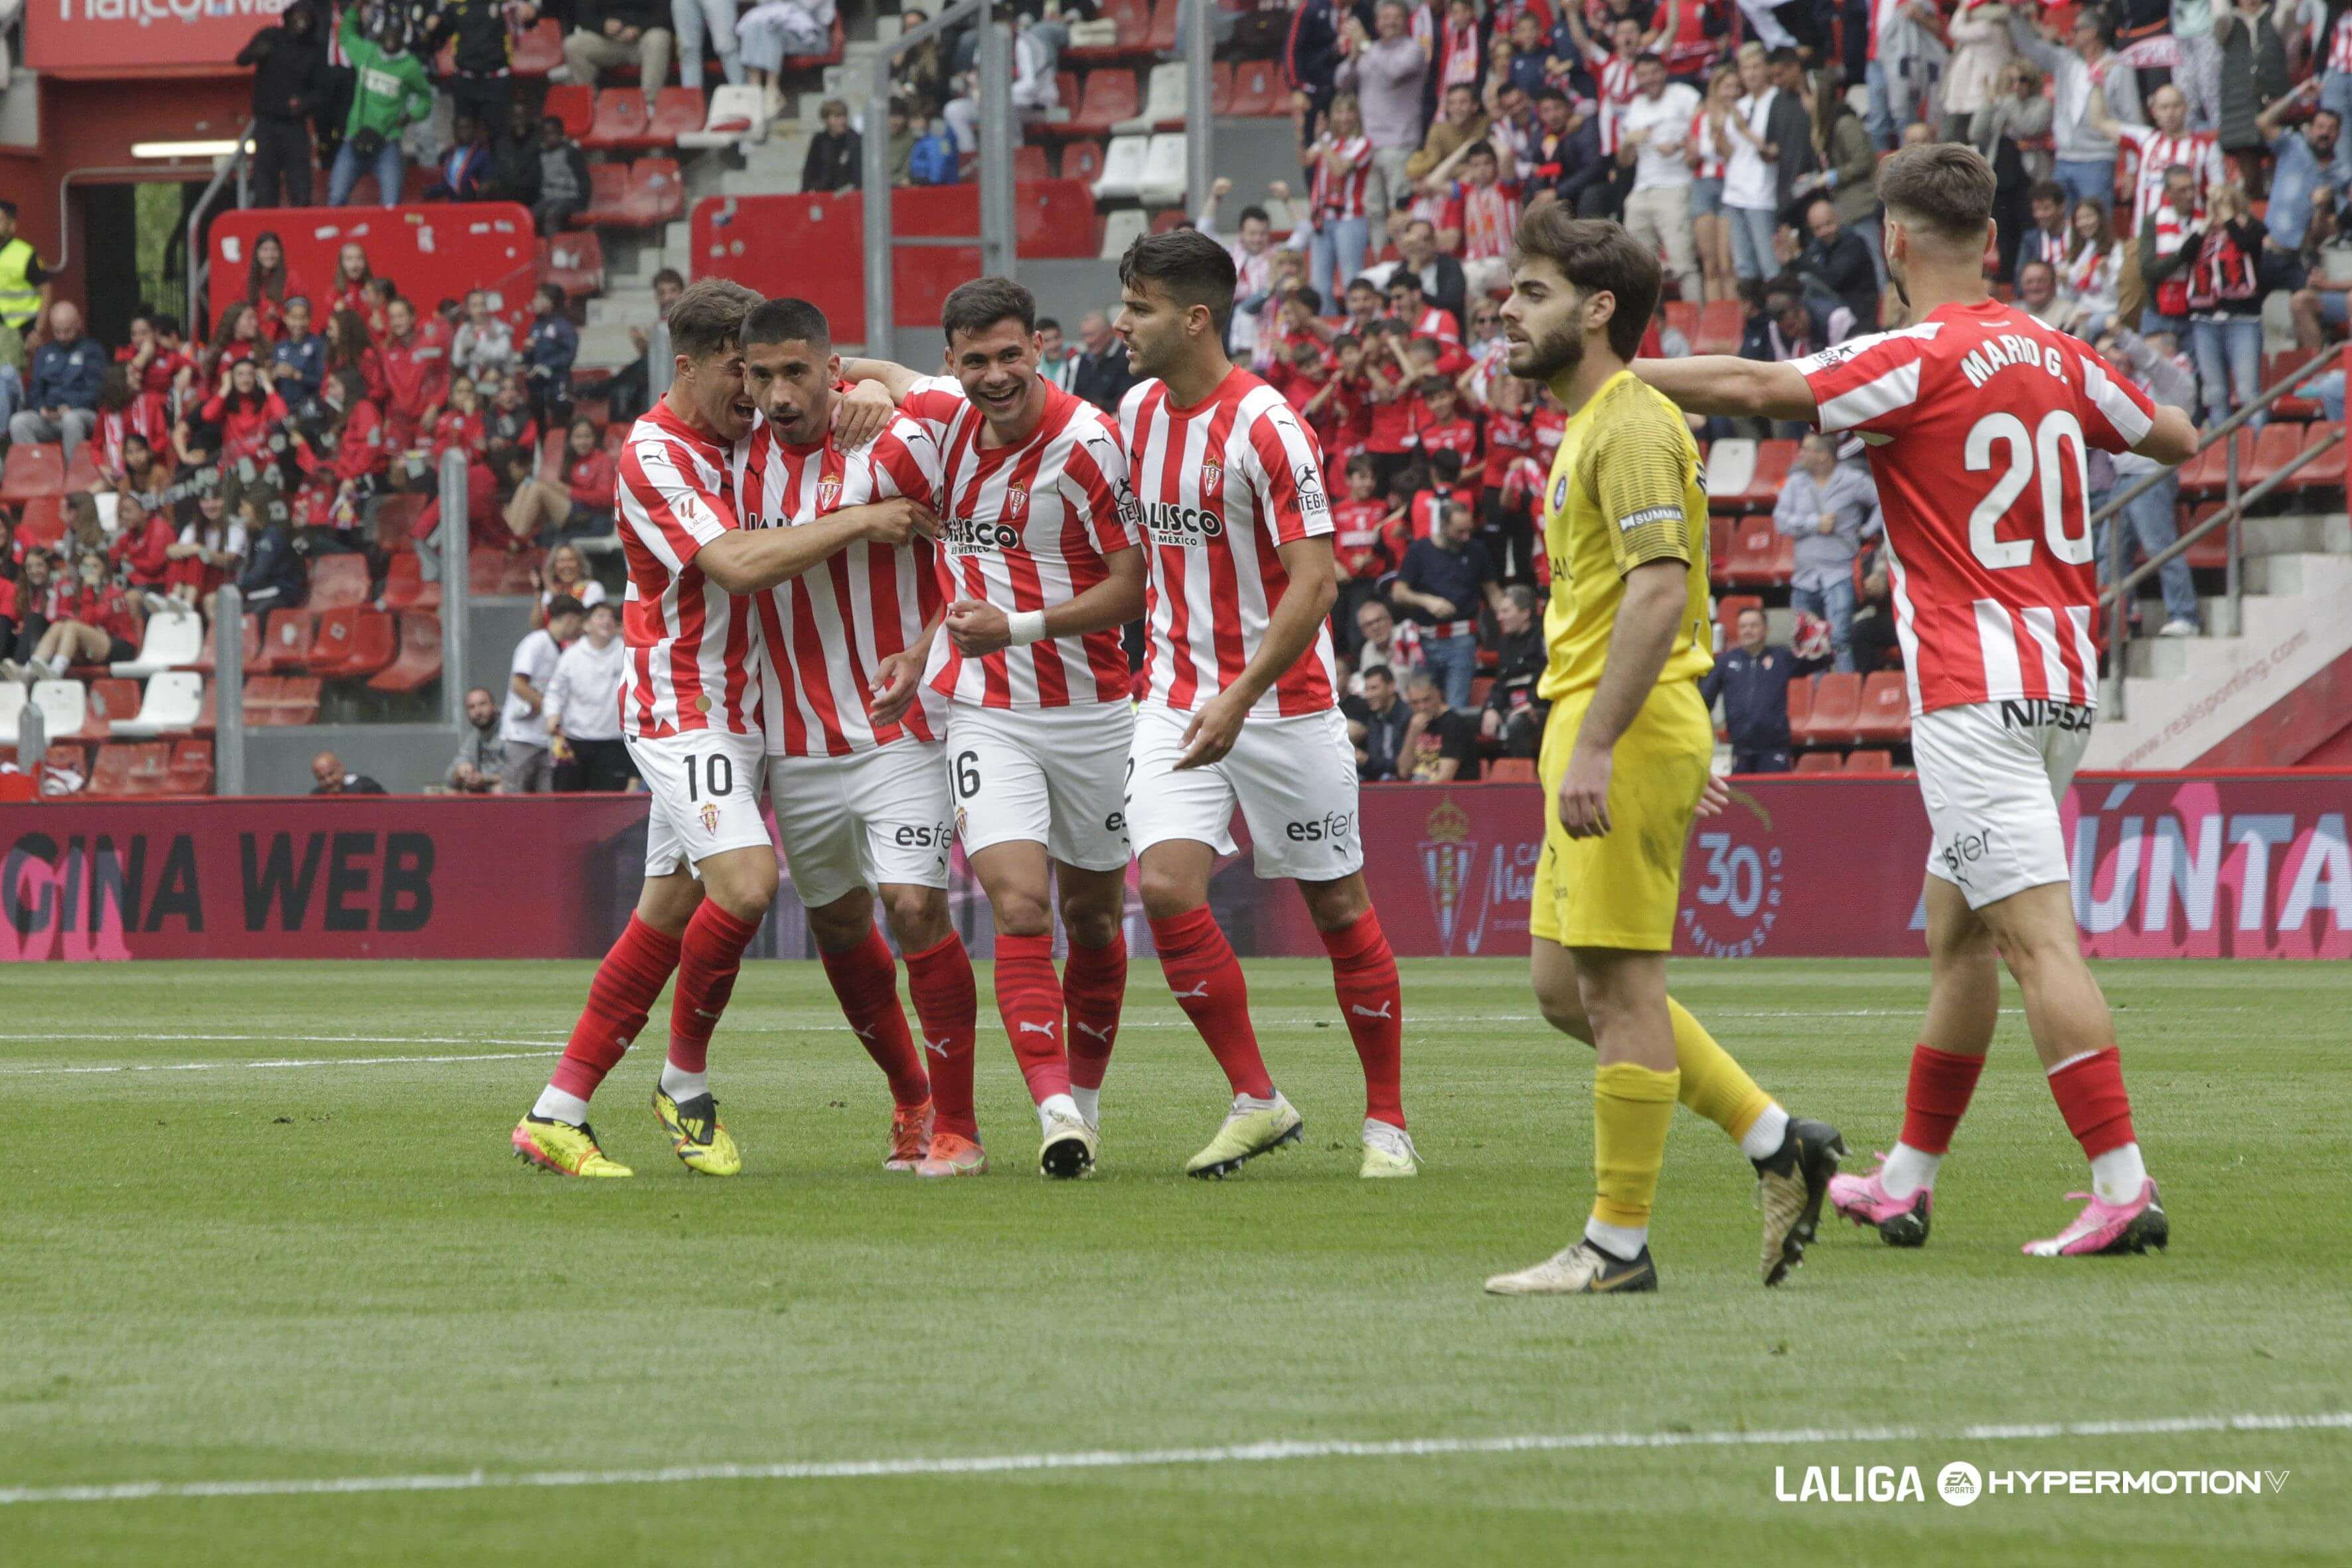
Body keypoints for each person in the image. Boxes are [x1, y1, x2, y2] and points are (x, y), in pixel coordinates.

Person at [1635, 141, 2197, 1259]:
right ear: (1990, 241)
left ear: (1891, 240)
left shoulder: (1908, 353)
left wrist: (1611, 377)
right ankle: (1903, 1179)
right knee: (1959, 940)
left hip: (1970, 689)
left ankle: (2121, 1184)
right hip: (2059, 680)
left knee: (2034, 943)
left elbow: (1754, 386)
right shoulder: (2055, 351)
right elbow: (2174, 437)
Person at [1481, 208, 1841, 1299]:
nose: (1506, 305)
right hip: (1610, 722)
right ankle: (1777, 1138)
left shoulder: (1630, 423)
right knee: (1562, 987)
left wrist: (1608, 743)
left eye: (1532, 291)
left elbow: (1658, 585)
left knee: (1621, 990)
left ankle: (1615, 1246)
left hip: (1613, 727)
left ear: (1595, 311)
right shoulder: (1596, 417)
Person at [512, 277, 927, 1180]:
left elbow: (843, 380)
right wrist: (860, 516)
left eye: (763, 373)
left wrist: (872, 389)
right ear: (690, 363)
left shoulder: (744, 431)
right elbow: (735, 565)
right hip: (682, 706)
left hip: (750, 712)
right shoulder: (654, 453)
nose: (757, 394)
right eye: (738, 372)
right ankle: (683, 1082)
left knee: (665, 913)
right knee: (744, 883)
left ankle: (557, 1110)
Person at [1110, 228, 1415, 1178]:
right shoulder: (1133, 411)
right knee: (1162, 887)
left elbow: (1315, 583)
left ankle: (1386, 1122)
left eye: (1138, 307)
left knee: (1337, 906)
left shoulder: (1269, 428)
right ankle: (1256, 1097)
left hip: (1280, 704)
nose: (1121, 324)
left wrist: (1240, 696)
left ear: (1193, 318)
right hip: (1171, 698)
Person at [840, 278, 1146, 1177]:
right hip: (988, 709)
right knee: (1017, 904)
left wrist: (1012, 630)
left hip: (1092, 708)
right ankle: (1051, 1106)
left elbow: (1131, 590)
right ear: (951, 363)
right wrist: (855, 379)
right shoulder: (939, 419)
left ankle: (1080, 1102)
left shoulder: (1088, 445)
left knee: (1091, 917)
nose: (994, 374)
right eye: (974, 359)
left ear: (1039, 347)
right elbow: (889, 376)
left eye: (1009, 355)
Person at [718, 294, 967, 1175]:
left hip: (898, 725)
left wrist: (931, 642)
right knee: (837, 922)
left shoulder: (890, 440)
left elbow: (970, 541)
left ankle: (955, 1123)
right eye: (762, 375)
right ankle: (909, 1095)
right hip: (791, 740)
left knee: (913, 902)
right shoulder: (729, 462)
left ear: (830, 368)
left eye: (798, 371)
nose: (781, 394)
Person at [2098, 326, 2200, 637]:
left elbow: (2152, 362)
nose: (2136, 356)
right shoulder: (2129, 387)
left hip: (2151, 475)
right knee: (2110, 556)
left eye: (2145, 350)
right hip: (2124, 478)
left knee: (2160, 548)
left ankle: (2185, 615)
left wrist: (2124, 336)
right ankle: (2124, 617)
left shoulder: (2175, 384)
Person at [2007, 5, 2142, 216]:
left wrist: (2133, 171)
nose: (2071, 33)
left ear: (2093, 32)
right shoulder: (2064, 61)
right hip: (2063, 160)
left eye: (2077, 29)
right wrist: (2014, 13)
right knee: (2064, 232)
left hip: (2097, 161)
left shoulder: (2118, 67)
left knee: (2096, 227)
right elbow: (2029, 47)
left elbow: (2132, 120)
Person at [1773, 431, 1878, 672]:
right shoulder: (1796, 483)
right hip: (1804, 577)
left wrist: (1868, 530)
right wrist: (1814, 523)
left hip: (1839, 573)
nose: (1800, 454)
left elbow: (1881, 500)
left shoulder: (1852, 480)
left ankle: (1843, 698)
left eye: (1807, 449)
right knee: (1808, 643)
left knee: (1839, 639)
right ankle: (1817, 699)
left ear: (1823, 456)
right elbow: (1780, 521)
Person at [1389, 499, 1500, 707]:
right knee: (1421, 704)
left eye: (1469, 531)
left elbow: (1493, 591)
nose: (1466, 537)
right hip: (1424, 638)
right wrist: (1426, 601)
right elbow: (1398, 592)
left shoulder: (1477, 550)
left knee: (1456, 707)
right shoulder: (1420, 550)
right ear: (1443, 525)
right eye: (1460, 532)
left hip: (1462, 638)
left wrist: (1507, 612)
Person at [327, 5, 433, 209]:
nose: (391, 37)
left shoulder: (410, 66)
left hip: (387, 143)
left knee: (391, 205)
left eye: (397, 32)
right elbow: (346, 35)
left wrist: (411, 115)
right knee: (336, 199)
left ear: (403, 35)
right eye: (388, 31)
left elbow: (426, 99)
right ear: (380, 33)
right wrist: (355, 8)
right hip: (354, 139)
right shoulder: (367, 53)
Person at [1617, 53, 1702, 307]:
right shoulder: (1636, 106)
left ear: (1664, 71)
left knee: (1683, 263)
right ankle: (1649, 328)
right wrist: (1628, 142)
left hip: (1675, 187)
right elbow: (1624, 162)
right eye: (1643, 74)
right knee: (1639, 268)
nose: (1649, 79)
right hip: (1641, 190)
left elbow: (1703, 127)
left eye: (1654, 72)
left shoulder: (1683, 95)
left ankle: (1696, 325)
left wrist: (1677, 145)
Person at [1334, 1, 1431, 216]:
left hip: (1400, 143)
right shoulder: (1370, 50)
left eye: (1396, 17)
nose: (1390, 22)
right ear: (1377, 23)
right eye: (1385, 17)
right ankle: (1378, 252)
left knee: (1400, 206)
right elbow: (1341, 82)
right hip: (1369, 142)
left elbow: (1394, 71)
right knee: (1372, 209)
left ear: (1406, 21)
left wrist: (1367, 47)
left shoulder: (1413, 49)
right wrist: (1353, 56)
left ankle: (1404, 250)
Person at [237, 0, 329, 208]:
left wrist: (303, 104)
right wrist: (256, 52)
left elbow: (322, 92)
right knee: (265, 183)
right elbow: (241, 60)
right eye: (298, 17)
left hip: (294, 126)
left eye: (306, 18)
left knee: (299, 185)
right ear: (288, 17)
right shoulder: (270, 36)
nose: (301, 22)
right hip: (266, 123)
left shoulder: (314, 51)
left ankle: (300, 227)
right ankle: (267, 230)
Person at [546, 600, 634, 791]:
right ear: (586, 625)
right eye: (601, 616)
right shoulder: (571, 655)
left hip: (614, 742)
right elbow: (555, 692)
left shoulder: (627, 652)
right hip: (575, 741)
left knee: (610, 809)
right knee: (570, 806)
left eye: (611, 617)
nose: (607, 621)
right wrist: (552, 716)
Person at [1699, 604, 1796, 771]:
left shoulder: (1782, 657)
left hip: (1774, 750)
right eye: (1743, 626)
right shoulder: (1726, 661)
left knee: (1775, 797)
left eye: (1754, 625)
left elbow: (1820, 660)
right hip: (1740, 751)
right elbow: (1704, 701)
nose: (1748, 631)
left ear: (1767, 629)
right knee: (1742, 798)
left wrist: (1814, 636)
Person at [501, 593, 582, 793]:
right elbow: (518, 684)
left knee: (544, 801)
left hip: (545, 739)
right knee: (516, 797)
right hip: (522, 737)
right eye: (579, 622)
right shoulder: (536, 642)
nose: (580, 629)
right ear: (570, 619)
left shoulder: (565, 651)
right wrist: (549, 711)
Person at [1305, 94, 1377, 307]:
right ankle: (1328, 331)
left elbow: (1339, 169)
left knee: (1351, 282)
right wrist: (1302, 127)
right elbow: (1305, 159)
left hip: (1350, 219)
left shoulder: (1363, 143)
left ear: (1357, 115)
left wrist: (1323, 143)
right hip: (1322, 219)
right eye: (1339, 111)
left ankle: (1356, 332)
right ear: (1332, 115)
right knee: (1319, 286)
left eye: (1349, 111)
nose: (1344, 117)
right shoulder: (1328, 141)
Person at [11, 301, 103, 461]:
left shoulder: (92, 350)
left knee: (71, 419)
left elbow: (97, 390)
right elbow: (35, 390)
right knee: (19, 422)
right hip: (50, 416)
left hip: (82, 414)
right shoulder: (45, 352)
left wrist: (70, 406)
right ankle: (38, 474)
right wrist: (41, 409)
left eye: (67, 331)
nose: (62, 336)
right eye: (57, 331)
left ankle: (74, 477)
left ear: (78, 323)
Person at [1480, 583, 1547, 756]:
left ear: (1525, 614)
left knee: (1516, 724)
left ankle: (1519, 778)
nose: (1499, 617)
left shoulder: (1544, 637)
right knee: (1463, 721)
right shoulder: (1505, 643)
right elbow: (1501, 684)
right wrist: (1491, 708)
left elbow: (1549, 677)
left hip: (1539, 708)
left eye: (1506, 611)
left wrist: (1531, 703)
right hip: (1511, 707)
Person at [1793, 195, 1879, 329]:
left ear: (1837, 219)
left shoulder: (1853, 242)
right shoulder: (1816, 247)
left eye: (1828, 224)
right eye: (1818, 228)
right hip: (1831, 317)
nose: (1825, 231)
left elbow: (1833, 278)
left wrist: (1799, 257)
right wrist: (1790, 262)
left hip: (1861, 315)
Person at [563, 0, 676, 100]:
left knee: (659, 38)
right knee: (572, 45)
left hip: (643, 39)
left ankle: (650, 105)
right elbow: (583, 16)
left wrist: (639, 28)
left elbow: (666, 13)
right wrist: (603, 26)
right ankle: (592, 104)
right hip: (608, 41)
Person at [1399, 669, 1481, 781]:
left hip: (1451, 794)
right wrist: (1412, 734)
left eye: (1426, 700)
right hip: (1417, 790)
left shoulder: (1454, 724)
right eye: (1415, 702)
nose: (1422, 707)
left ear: (1438, 695)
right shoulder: (1412, 724)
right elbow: (1403, 772)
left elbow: (1445, 777)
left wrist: (1417, 796)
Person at [519, 115, 593, 237]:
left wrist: (582, 203)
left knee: (552, 215)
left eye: (553, 133)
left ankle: (554, 249)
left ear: (560, 133)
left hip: (569, 198)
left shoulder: (570, 153)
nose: (550, 137)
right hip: (548, 198)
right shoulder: (541, 155)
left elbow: (584, 180)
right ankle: (534, 250)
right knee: (530, 216)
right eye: (546, 134)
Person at [1343, 662, 1413, 779]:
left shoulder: (1407, 716)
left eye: (1374, 688)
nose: (1369, 695)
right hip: (1376, 784)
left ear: (1391, 687)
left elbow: (1402, 765)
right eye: (1367, 689)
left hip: (1404, 786)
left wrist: (1366, 760)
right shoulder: (1373, 717)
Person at [1069, 309, 1134, 412]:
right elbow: (1076, 396)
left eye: (1091, 335)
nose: (1087, 341)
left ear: (1108, 333)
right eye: (1084, 336)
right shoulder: (1083, 360)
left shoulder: (1128, 358)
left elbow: (1128, 400)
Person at [447, 685, 505, 793]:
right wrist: (459, 773)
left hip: (512, 793)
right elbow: (449, 777)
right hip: (482, 790)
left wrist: (486, 778)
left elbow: (521, 776)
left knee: (499, 791)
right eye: (472, 707)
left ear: (494, 706)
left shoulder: (510, 731)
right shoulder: (473, 737)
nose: (478, 711)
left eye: (482, 704)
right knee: (452, 792)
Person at [800, 98, 861, 194]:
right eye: (837, 117)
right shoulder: (819, 140)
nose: (842, 121)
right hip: (822, 194)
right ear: (826, 119)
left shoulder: (854, 140)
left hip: (847, 196)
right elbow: (809, 170)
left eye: (844, 116)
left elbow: (858, 175)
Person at [309, 751, 386, 794]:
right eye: (321, 778)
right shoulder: (316, 797)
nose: (329, 781)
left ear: (341, 769)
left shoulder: (366, 787)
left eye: (331, 774)